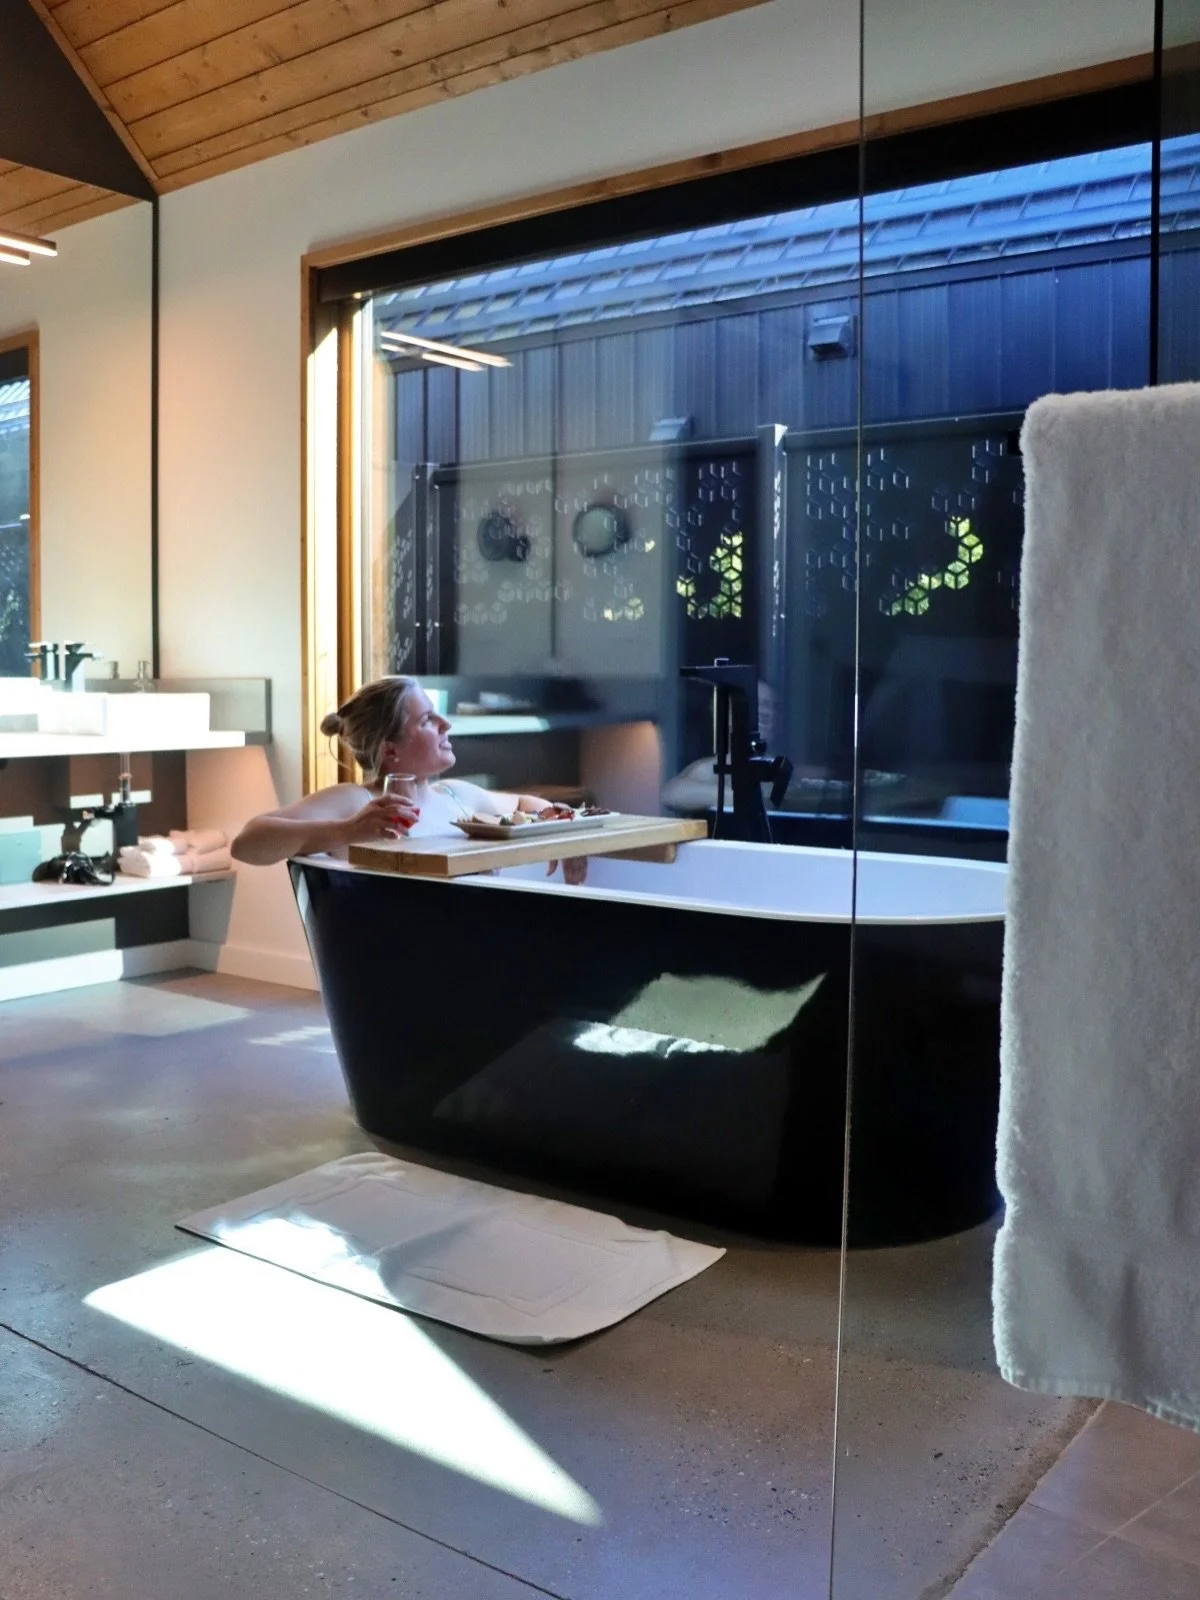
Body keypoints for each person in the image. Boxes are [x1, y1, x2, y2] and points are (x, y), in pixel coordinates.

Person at [231, 676, 587, 882]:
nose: (446, 725)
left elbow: (525, 804)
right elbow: (246, 843)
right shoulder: (359, 802)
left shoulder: (456, 795)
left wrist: (563, 835)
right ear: (390, 750)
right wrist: (348, 831)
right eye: (427, 720)